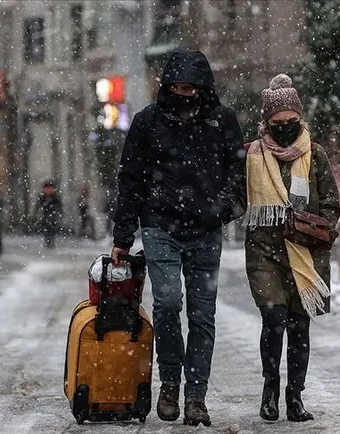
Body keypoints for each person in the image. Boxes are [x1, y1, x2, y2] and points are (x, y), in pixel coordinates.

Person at [111, 48, 245, 427]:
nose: (184, 94)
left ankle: (196, 396)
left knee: (203, 314)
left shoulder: (222, 121)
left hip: (206, 230)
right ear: (167, 85)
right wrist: (123, 235)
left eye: (191, 87)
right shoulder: (147, 123)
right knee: (167, 302)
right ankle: (169, 382)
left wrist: (219, 210)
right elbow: (130, 179)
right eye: (177, 87)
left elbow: (237, 173)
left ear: (203, 88)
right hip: (160, 227)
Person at [239, 74, 340, 422]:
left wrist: (313, 227)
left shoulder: (315, 155)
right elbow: (238, 200)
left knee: (299, 326)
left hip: (305, 253)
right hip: (264, 252)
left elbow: (331, 204)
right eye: (277, 123)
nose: (285, 128)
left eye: (291, 123)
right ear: (265, 123)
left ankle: (294, 396)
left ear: (300, 120)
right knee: (274, 320)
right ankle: (270, 390)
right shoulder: (252, 156)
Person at [33, 181, 63, 248]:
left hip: (53, 217)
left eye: (50, 188)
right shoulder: (42, 197)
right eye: (46, 189)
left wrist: (59, 214)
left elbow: (59, 206)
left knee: (52, 230)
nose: (48, 190)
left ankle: (51, 242)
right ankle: (47, 242)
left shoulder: (55, 197)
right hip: (45, 217)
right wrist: (36, 214)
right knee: (46, 230)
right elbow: (37, 206)